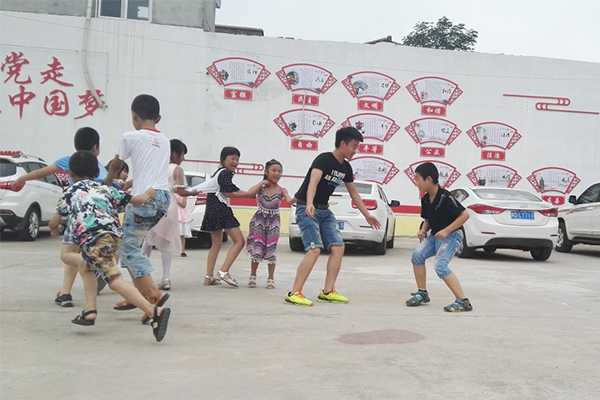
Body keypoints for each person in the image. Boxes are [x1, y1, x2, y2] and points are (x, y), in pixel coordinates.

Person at [49, 151, 171, 342]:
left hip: (94, 240)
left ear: (70, 173)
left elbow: (54, 222)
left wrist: (54, 230)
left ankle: (154, 311)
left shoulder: (69, 192)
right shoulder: (106, 189)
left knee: (114, 281)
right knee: (86, 267)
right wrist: (149, 193)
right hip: (113, 237)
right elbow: (137, 200)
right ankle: (90, 310)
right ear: (97, 172)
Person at [11, 127, 107, 307]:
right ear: (96, 148)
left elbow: (43, 172)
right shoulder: (99, 169)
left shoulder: (69, 160)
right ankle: (68, 291)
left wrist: (21, 179)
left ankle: (68, 291)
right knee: (77, 254)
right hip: (101, 221)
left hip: (77, 218)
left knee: (70, 254)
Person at [286, 127, 380, 307]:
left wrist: (367, 215)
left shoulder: (346, 167)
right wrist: (310, 203)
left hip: (325, 211)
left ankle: (327, 292)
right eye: (354, 146)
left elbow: (354, 194)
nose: (355, 151)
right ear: (342, 143)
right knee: (314, 249)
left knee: (338, 247)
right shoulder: (323, 159)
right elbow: (313, 182)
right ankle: (294, 292)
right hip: (307, 208)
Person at [104, 94, 171, 324]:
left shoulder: (130, 136)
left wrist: (107, 182)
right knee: (130, 245)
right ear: (158, 118)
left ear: (134, 116)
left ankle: (152, 294)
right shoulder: (165, 140)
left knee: (128, 247)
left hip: (144, 199)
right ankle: (138, 295)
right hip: (163, 198)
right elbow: (152, 169)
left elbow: (116, 164)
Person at [406, 162, 473, 312]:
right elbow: (428, 219)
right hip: (435, 236)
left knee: (440, 266)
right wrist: (423, 230)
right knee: (417, 255)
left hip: (452, 236)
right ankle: (422, 293)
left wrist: (447, 231)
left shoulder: (445, 197)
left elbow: (465, 215)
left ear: (428, 179)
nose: (416, 183)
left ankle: (463, 301)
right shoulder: (425, 199)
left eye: (417, 178)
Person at [199, 146, 266, 287]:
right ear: (223, 159)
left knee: (216, 244)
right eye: (232, 158)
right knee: (239, 241)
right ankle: (224, 271)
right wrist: (247, 194)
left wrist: (247, 194)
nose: (235, 162)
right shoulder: (225, 173)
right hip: (221, 210)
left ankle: (208, 276)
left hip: (211, 210)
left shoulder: (219, 172)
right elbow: (227, 192)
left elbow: (231, 188)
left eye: (237, 159)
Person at [142, 139, 199, 291]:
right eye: (182, 154)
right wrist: (193, 192)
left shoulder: (159, 167)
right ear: (175, 154)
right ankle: (165, 278)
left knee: (148, 239)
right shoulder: (177, 169)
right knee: (166, 243)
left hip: (155, 203)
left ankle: (140, 273)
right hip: (169, 206)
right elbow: (181, 191)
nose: (183, 158)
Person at [246, 159, 296, 289]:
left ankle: (270, 278)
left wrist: (299, 197)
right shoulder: (261, 188)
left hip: (274, 223)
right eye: (274, 170)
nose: (277, 173)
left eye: (279, 171)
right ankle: (253, 275)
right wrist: (261, 183)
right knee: (257, 248)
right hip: (258, 221)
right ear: (266, 172)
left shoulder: (282, 190)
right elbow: (250, 193)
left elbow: (289, 200)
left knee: (271, 249)